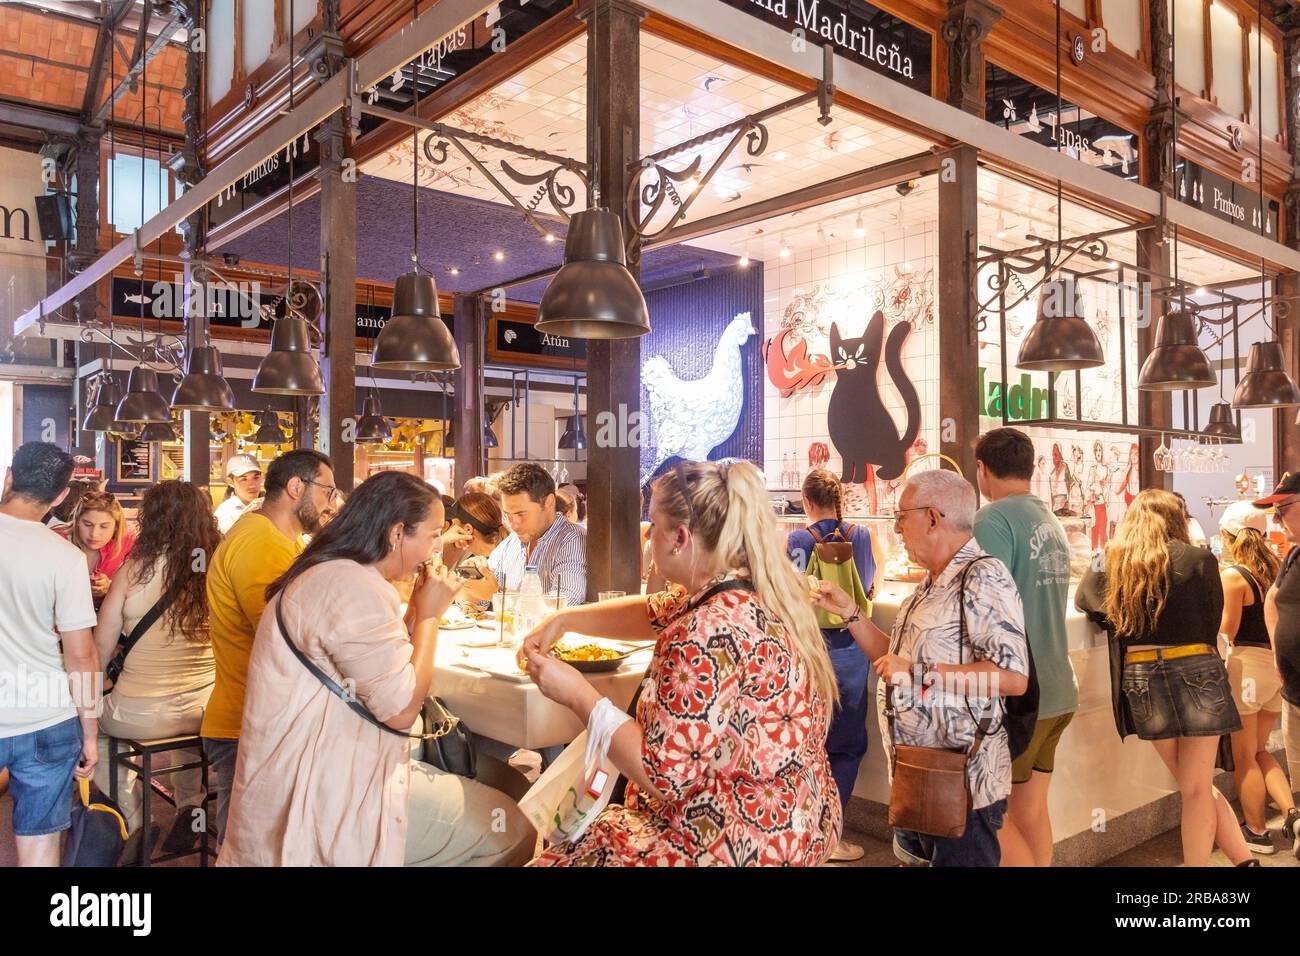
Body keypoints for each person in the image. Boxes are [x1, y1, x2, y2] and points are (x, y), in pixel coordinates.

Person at [520, 459, 841, 866]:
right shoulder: (753, 590)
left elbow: (662, 775)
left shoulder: (706, 630)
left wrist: (580, 696)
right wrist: (564, 619)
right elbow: (651, 610)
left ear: (680, 537)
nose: (649, 535)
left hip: (729, 838)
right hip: (796, 818)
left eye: (652, 525)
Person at [217, 471, 535, 866]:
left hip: (309, 769)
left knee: (502, 783)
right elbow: (400, 709)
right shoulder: (351, 585)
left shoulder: (333, 570)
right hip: (324, 790)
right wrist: (429, 619)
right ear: (397, 533)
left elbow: (379, 666)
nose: (437, 547)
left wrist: (418, 608)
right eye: (434, 534)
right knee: (515, 828)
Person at [814, 470, 1030, 867]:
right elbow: (892, 658)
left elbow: (1011, 678)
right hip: (918, 776)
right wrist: (850, 613)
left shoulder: (983, 576)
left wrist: (919, 673)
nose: (895, 527)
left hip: (962, 783)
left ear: (933, 517)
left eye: (901, 516)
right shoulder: (932, 583)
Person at [1077, 490, 1253, 866]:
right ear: (1177, 518)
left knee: (1194, 787)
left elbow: (1085, 598)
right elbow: (1211, 624)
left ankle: (1243, 860)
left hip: (1142, 676)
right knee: (1196, 787)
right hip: (1196, 669)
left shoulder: (1113, 559)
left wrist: (1126, 619)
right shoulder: (1201, 559)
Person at [201, 448, 335, 843]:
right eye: (326, 491)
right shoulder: (263, 542)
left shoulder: (272, 537)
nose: (329, 503)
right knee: (250, 842)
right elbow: (286, 637)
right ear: (297, 487)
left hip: (256, 713)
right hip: (252, 717)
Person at [92, 480, 219, 857]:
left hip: (138, 714)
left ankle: (134, 820)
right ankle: (191, 806)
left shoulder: (134, 570)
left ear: (153, 519)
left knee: (95, 731)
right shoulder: (218, 565)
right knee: (188, 742)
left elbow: (101, 645)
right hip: (207, 711)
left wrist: (91, 694)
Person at [973, 427, 1077, 867]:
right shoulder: (1048, 517)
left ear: (981, 470)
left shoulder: (992, 519)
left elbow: (984, 600)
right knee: (1031, 811)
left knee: (994, 816)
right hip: (1057, 687)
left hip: (1020, 697)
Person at [0, 442, 100, 866]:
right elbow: (81, 656)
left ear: (8, 476)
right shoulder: (66, 557)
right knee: (40, 844)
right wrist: (91, 731)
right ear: (61, 497)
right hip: (48, 715)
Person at [786, 467, 878, 863]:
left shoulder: (797, 538)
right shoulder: (859, 534)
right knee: (847, 744)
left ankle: (801, 830)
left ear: (807, 501)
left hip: (809, 649)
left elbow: (790, 592)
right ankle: (832, 835)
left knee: (808, 741)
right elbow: (869, 582)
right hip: (851, 648)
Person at [1216, 500, 1297, 855]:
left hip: (1246, 667)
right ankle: (1293, 814)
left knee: (1244, 756)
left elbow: (1227, 630)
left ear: (1228, 536)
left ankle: (1258, 832)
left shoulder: (1233, 576)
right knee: (1262, 750)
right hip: (1275, 671)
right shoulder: (1278, 566)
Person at [1255, 474, 1300, 859]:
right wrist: (1276, 653)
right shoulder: (1292, 554)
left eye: (1284, 510)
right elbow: (1272, 600)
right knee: (1298, 771)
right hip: (1294, 688)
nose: (1277, 519)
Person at [488, 462, 586, 606]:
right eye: (507, 515)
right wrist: (475, 578)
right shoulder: (512, 542)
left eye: (521, 514)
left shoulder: (572, 539)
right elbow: (479, 600)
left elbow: (563, 603)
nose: (513, 524)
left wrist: (498, 592)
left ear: (549, 502)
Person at [66, 490, 135, 603]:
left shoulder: (128, 542)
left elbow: (140, 587)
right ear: (77, 521)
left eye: (104, 527)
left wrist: (111, 587)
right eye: (87, 524)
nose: (94, 534)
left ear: (116, 526)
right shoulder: (56, 540)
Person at [442, 491, 505, 606]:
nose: (449, 530)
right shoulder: (475, 558)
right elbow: (470, 602)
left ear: (467, 529)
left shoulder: (496, 559)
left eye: (454, 524)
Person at [214, 454, 263, 534]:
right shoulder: (226, 512)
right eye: (244, 479)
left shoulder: (267, 506)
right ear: (230, 482)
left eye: (256, 478)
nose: (252, 485)